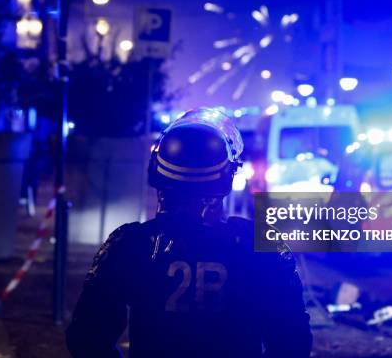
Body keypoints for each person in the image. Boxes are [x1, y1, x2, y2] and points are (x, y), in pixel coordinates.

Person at [66, 108, 313, 358]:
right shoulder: (259, 244)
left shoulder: (130, 243)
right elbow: (293, 341)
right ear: (227, 176)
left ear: (156, 172)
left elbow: (86, 338)